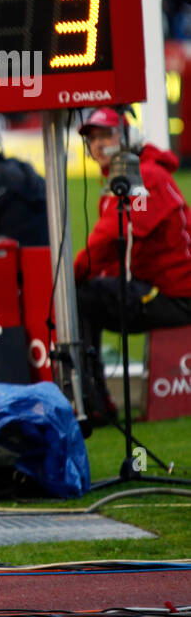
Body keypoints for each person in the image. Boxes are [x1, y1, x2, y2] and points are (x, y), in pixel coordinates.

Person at [75, 107, 191, 425]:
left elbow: (112, 237)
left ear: (127, 136)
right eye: (92, 139)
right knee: (86, 293)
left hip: (175, 298)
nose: (98, 145)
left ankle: (93, 402)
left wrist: (69, 276)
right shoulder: (139, 173)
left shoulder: (141, 176)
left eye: (106, 135)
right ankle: (94, 399)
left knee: (78, 298)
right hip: (169, 291)